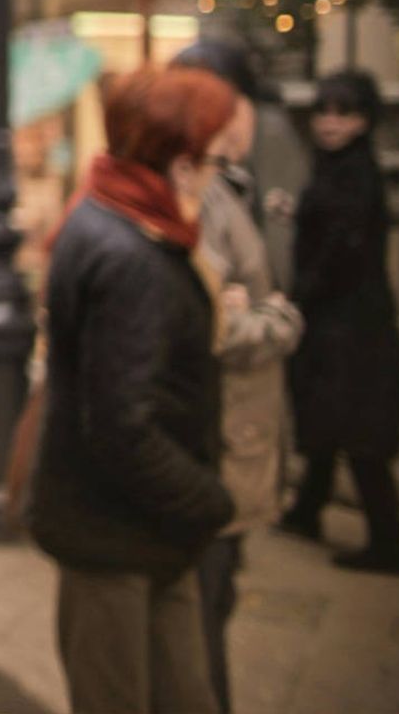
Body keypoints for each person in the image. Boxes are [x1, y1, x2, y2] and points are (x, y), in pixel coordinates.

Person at [27, 66, 240, 714]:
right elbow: (123, 424)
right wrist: (210, 498)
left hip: (139, 530)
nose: (220, 166)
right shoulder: (132, 256)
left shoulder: (106, 209)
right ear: (180, 161)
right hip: (118, 534)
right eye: (215, 154)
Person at [171, 39, 303, 713]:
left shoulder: (237, 182)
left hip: (239, 438)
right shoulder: (198, 190)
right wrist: (280, 319)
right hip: (214, 440)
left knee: (211, 607)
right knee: (198, 624)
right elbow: (214, 323)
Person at [276, 70, 399, 575]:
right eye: (324, 112)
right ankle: (308, 512)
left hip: (350, 324)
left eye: (344, 113)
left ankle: (388, 541)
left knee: (358, 432)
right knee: (332, 422)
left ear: (363, 120)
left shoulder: (354, 173)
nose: (330, 124)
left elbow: (342, 248)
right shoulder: (338, 167)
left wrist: (301, 297)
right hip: (341, 319)